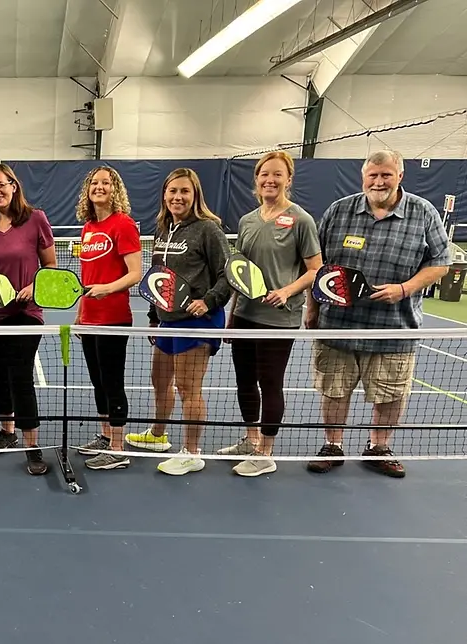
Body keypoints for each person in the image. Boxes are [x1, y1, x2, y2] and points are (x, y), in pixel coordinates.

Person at [306, 149, 450, 479]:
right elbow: (316, 265)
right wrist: (311, 309)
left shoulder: (423, 212)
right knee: (334, 390)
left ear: (400, 176)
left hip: (394, 327)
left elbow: (441, 263)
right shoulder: (339, 211)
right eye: (373, 175)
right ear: (363, 178)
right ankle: (333, 445)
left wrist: (404, 289)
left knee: (390, 394)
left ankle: (378, 448)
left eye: (386, 174)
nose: (379, 181)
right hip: (338, 326)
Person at [219, 151, 322, 477]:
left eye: (277, 175)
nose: (270, 180)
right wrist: (233, 315)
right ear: (257, 179)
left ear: (288, 180)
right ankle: (251, 440)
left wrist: (287, 292)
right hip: (246, 316)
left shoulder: (301, 220)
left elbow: (315, 270)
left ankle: (266, 452)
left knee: (270, 383)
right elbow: (241, 272)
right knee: (244, 382)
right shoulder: (248, 221)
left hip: (279, 319)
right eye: (265, 175)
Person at [124, 167, 232, 476]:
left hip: (197, 321)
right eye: (172, 191)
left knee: (188, 388)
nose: (177, 197)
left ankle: (192, 452)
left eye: (184, 191)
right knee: (160, 381)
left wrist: (208, 301)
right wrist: (153, 316)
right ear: (164, 195)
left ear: (195, 195)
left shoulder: (208, 229)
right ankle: (158, 436)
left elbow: (229, 274)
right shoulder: (162, 227)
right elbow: (158, 276)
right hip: (167, 319)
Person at [0, 162, 57, 476]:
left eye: (1, 185)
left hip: (24, 314)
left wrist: (34, 287)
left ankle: (31, 445)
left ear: (14, 186)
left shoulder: (36, 219)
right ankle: (7, 430)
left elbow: (50, 267)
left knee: (20, 376)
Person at [72, 165, 142, 470]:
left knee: (112, 382)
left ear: (115, 190)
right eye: (95, 183)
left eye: (106, 183)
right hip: (89, 318)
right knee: (98, 381)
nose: (100, 187)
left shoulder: (123, 225)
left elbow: (136, 274)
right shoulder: (88, 228)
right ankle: (104, 436)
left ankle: (117, 446)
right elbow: (87, 276)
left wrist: (108, 289)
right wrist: (80, 313)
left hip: (113, 318)